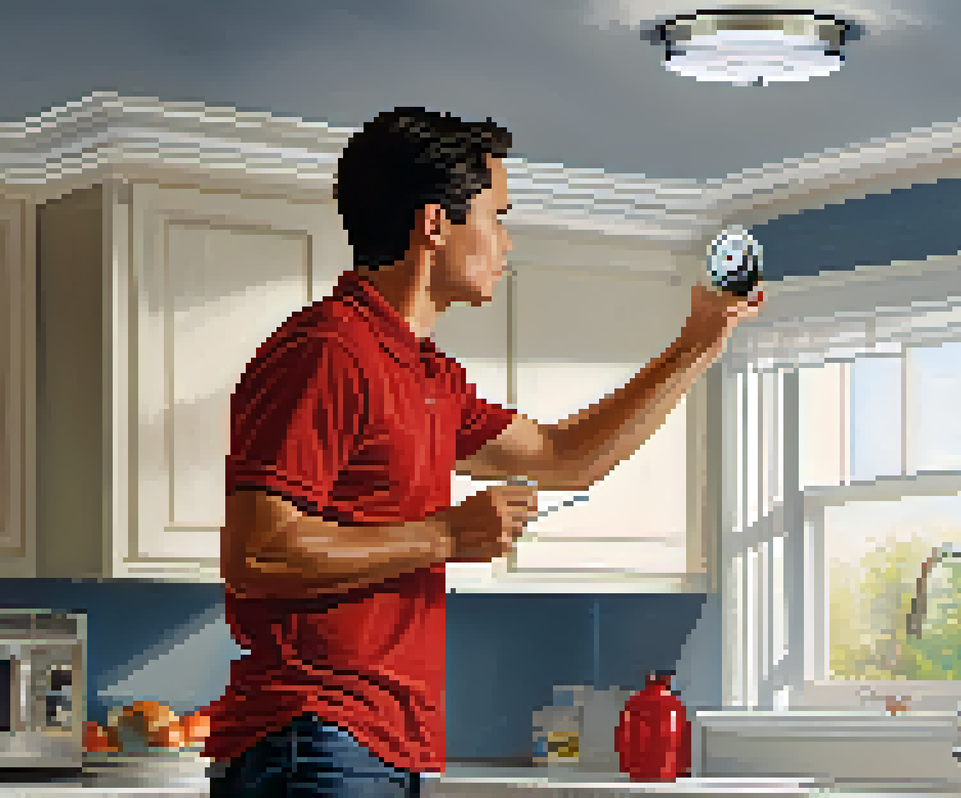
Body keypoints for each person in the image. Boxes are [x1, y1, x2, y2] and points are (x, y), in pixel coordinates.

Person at [202, 108, 764, 797]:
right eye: (496, 216)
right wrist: (445, 533)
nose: (506, 241)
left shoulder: (427, 376)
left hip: (376, 746)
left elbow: (566, 456)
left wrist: (696, 346)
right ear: (434, 225)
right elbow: (257, 554)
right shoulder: (327, 352)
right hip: (314, 736)